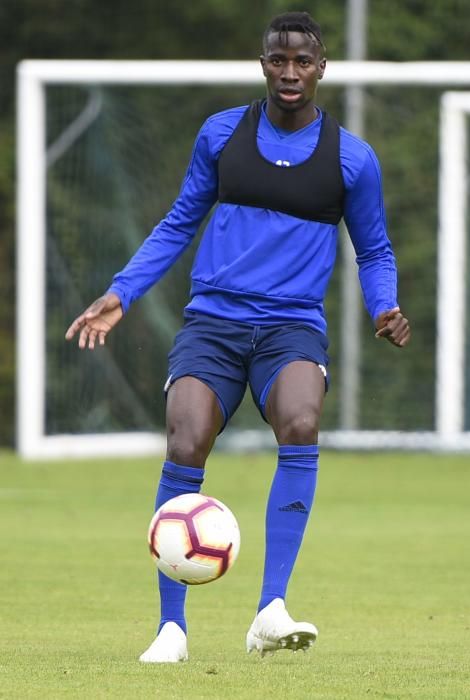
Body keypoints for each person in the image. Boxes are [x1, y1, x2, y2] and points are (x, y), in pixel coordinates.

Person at [65, 11, 410, 663]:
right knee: (185, 436)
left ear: (321, 68)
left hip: (291, 327)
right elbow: (176, 223)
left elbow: (376, 250)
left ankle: (270, 611)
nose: (289, 72)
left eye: (302, 61)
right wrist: (121, 292)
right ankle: (172, 629)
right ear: (262, 64)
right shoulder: (222, 135)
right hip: (214, 323)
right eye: (278, 60)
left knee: (302, 424)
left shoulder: (352, 159)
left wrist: (385, 306)